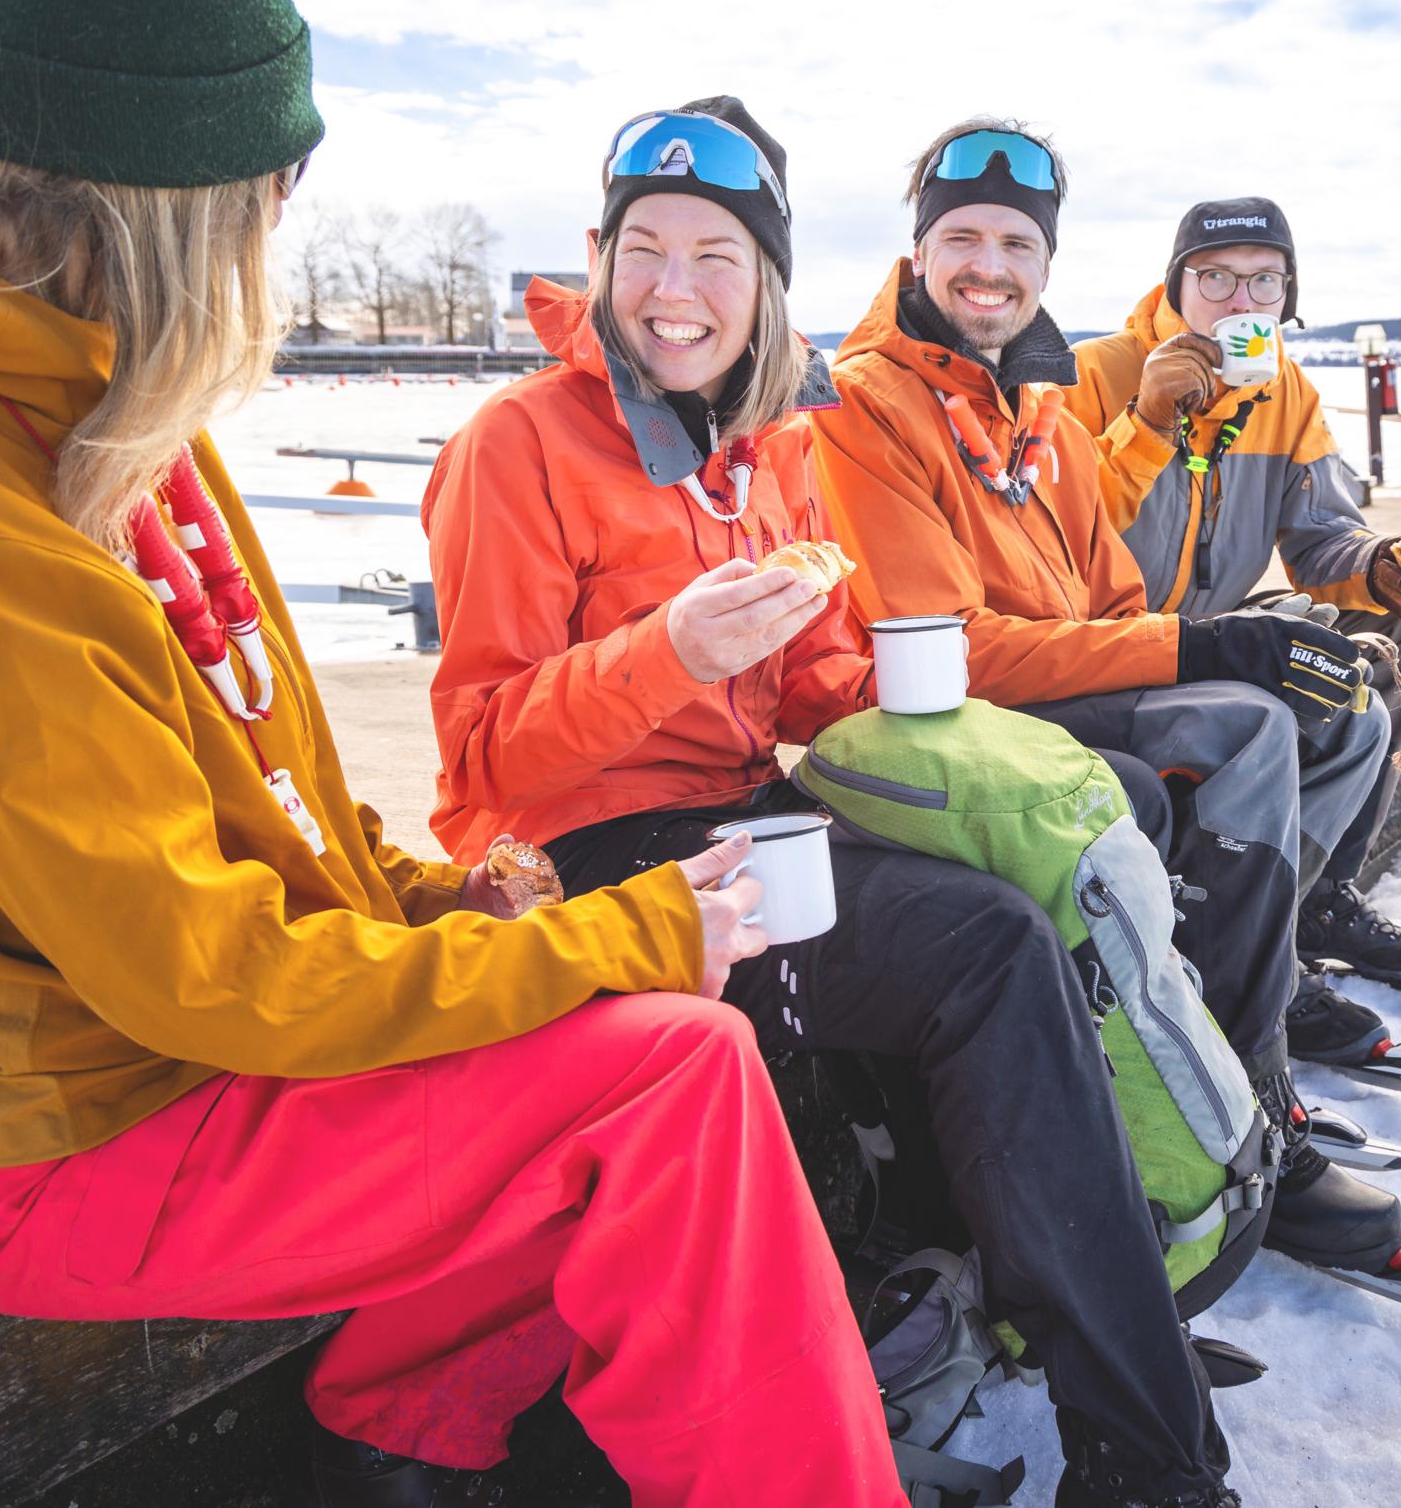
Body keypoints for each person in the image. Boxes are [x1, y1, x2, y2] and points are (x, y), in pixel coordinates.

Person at [0, 0, 896, 1506]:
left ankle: (402, 1437)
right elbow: (205, 973)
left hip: (206, 1063)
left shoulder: (108, 404)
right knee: (669, 1075)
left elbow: (286, 807)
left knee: (619, 1020)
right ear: (170, 191)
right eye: (273, 182)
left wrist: (452, 901)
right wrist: (614, 930)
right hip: (83, 1145)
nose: (278, 222)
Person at [422, 96, 1242, 1508]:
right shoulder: (520, 444)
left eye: (717, 258)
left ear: (768, 285)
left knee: (1055, 865)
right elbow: (485, 761)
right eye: (646, 251)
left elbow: (812, 694)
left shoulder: (777, 449)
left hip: (754, 811)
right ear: (604, 258)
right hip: (597, 858)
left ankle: (1091, 1291)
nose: (676, 292)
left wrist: (906, 687)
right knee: (980, 950)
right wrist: (665, 653)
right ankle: (1148, 1455)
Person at [809, 119, 1401, 1302]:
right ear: (914, 256)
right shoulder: (874, 402)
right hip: (944, 730)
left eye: (1016, 242)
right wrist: (1205, 628)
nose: (989, 265)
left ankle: (1246, 1046)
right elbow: (938, 653)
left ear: (1047, 265)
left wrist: (1314, 614)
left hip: (1054, 689)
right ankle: (1245, 1100)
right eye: (960, 238)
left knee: (1318, 695)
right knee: (1242, 728)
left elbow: (1109, 594)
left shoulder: (1042, 409)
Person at [1057, 198, 1401, 1015]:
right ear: (1174, 286)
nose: (1240, 303)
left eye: (1265, 283)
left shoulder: (1285, 392)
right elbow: (1054, 532)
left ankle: (1319, 895)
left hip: (1207, 625)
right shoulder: (1091, 374)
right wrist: (1146, 419)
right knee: (1289, 699)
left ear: (1288, 299)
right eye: (1214, 278)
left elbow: (1320, 540)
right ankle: (1254, 937)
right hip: (1101, 642)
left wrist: (1385, 570)